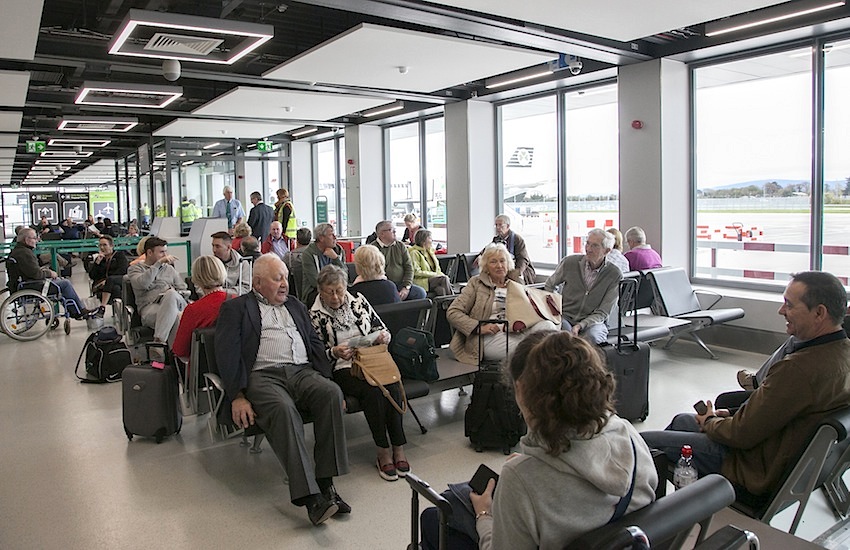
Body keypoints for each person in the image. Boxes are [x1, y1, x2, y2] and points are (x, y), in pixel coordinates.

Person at [421, 331, 657, 549]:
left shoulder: (519, 479)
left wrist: (485, 516)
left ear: (522, 390)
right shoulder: (630, 438)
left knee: (434, 518)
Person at [641, 271, 850, 498]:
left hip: (750, 465)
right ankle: (677, 498)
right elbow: (776, 410)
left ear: (819, 313)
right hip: (776, 450)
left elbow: (740, 434)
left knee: (644, 443)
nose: (781, 311)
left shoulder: (798, 369)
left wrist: (710, 421)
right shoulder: (841, 353)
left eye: (789, 305)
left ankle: (656, 512)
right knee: (683, 421)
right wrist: (728, 413)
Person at [215, 255, 350, 525]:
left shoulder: (296, 307)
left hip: (301, 371)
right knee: (284, 409)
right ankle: (311, 499)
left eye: (285, 277)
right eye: (277, 278)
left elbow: (313, 344)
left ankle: (326, 484)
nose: (284, 284)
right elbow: (226, 354)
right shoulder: (237, 309)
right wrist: (237, 396)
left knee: (331, 394)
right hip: (262, 376)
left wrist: (329, 380)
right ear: (257, 282)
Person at [309, 265, 410, 481]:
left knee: (392, 387)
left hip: (372, 359)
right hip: (343, 367)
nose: (336, 296)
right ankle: (383, 451)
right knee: (373, 392)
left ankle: (399, 448)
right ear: (320, 290)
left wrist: (383, 337)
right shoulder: (316, 315)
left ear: (346, 286)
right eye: (330, 291)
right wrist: (334, 352)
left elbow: (381, 328)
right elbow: (315, 355)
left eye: (339, 290)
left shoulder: (358, 301)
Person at [448, 243, 558, 365]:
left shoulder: (517, 283)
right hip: (492, 335)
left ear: (508, 264)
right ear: (486, 266)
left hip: (519, 330)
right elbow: (453, 312)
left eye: (502, 261)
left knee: (548, 327)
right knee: (531, 349)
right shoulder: (476, 284)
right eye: (493, 262)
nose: (499, 266)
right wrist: (478, 327)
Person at [544, 228, 623, 344]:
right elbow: (550, 285)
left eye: (595, 246)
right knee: (564, 335)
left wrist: (580, 326)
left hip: (594, 321)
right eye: (588, 243)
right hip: (565, 316)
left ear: (607, 251)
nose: (588, 249)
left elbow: (603, 312)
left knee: (592, 337)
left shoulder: (614, 274)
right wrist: (555, 306)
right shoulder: (569, 263)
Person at [8, 228, 94, 319]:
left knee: (60, 281)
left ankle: (77, 310)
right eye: (34, 238)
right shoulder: (25, 253)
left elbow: (31, 271)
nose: (36, 240)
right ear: (26, 240)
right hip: (32, 286)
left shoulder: (18, 251)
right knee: (65, 284)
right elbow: (36, 274)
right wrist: (49, 273)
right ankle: (78, 311)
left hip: (24, 284)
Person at [127, 236, 189, 344]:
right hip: (149, 307)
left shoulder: (169, 269)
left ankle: (158, 342)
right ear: (149, 252)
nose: (165, 256)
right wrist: (158, 264)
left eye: (165, 252)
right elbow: (143, 284)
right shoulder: (135, 269)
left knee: (171, 294)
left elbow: (184, 289)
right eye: (161, 252)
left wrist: (172, 293)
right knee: (173, 319)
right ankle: (176, 358)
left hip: (175, 302)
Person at [172, 255, 229, 361]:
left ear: (196, 278)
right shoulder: (239, 302)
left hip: (203, 369)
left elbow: (180, 350)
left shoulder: (193, 310)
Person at [371, 220, 427, 302]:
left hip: (401, 284)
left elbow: (409, 268)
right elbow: (372, 273)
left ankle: (408, 315)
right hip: (383, 286)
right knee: (392, 297)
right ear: (382, 234)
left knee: (420, 293)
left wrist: (406, 287)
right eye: (391, 229)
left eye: (394, 229)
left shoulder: (400, 246)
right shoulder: (372, 249)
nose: (395, 231)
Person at [300, 223, 346, 307]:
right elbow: (315, 282)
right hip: (315, 291)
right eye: (331, 235)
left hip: (337, 288)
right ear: (321, 238)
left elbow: (345, 276)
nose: (335, 238)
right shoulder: (308, 254)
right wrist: (331, 290)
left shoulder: (338, 251)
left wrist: (336, 258)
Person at [482, 215, 535, 284]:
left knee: (514, 280)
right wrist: (480, 255)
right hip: (504, 268)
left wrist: (518, 272)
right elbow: (489, 249)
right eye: (496, 225)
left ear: (508, 226)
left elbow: (523, 259)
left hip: (518, 268)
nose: (498, 228)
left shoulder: (517, 239)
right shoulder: (497, 239)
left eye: (500, 225)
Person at [88, 234, 130, 315]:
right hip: (104, 287)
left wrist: (107, 281)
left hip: (118, 280)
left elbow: (123, 270)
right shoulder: (99, 259)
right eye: (100, 245)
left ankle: (102, 307)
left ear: (111, 246)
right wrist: (97, 263)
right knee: (116, 289)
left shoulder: (119, 256)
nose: (102, 247)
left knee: (111, 280)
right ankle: (121, 316)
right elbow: (92, 276)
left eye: (105, 245)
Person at [409, 229, 452, 296]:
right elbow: (416, 272)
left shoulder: (430, 252)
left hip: (432, 280)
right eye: (430, 238)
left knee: (441, 289)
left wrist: (440, 274)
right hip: (421, 281)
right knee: (444, 279)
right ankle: (453, 302)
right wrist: (434, 274)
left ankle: (445, 305)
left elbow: (437, 270)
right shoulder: (414, 253)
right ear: (423, 240)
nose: (432, 241)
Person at [211, 231, 249, 295]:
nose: (214, 250)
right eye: (213, 246)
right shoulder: (210, 263)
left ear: (229, 247)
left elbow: (246, 288)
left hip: (234, 301)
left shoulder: (242, 263)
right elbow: (200, 286)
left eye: (218, 246)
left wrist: (221, 292)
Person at [283, 227, 312, 298]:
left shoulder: (289, 257)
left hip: (293, 295)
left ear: (297, 240)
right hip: (311, 294)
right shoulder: (314, 256)